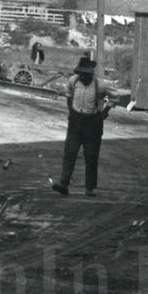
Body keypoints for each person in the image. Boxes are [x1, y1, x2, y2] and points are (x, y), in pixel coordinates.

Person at [52, 55, 111, 196]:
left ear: (92, 74)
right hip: (75, 122)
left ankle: (89, 189)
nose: (85, 78)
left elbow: (113, 96)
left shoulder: (100, 85)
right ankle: (63, 185)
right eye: (82, 75)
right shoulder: (73, 81)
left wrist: (105, 111)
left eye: (87, 75)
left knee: (91, 156)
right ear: (79, 74)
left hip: (92, 123)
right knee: (69, 153)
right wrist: (71, 111)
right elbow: (68, 95)